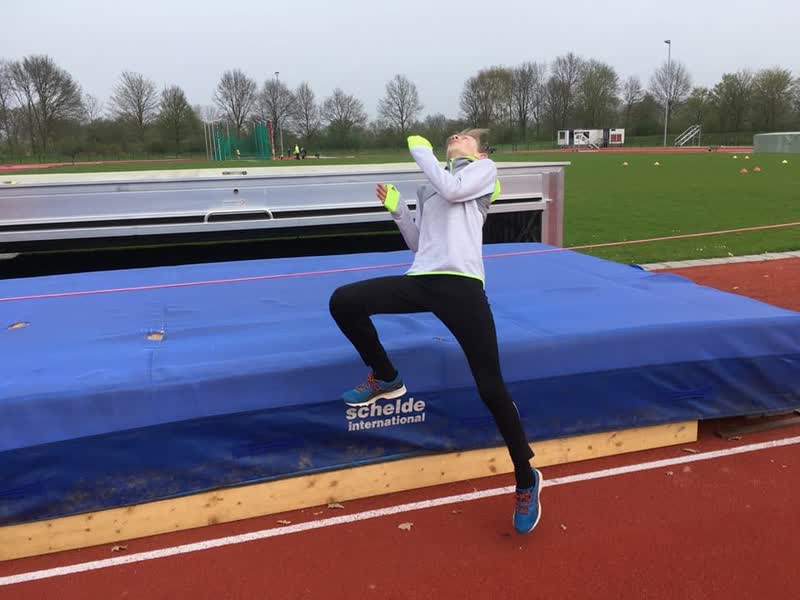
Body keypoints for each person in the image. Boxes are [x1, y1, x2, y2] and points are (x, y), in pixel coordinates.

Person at [328, 130, 542, 534]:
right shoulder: (429, 186)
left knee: (491, 389)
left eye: (466, 136)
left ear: (481, 152)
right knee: (344, 301)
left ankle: (525, 477)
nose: (456, 136)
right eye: (454, 135)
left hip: (463, 288)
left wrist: (421, 152)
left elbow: (454, 189)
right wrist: (398, 210)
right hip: (423, 279)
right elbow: (419, 244)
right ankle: (386, 376)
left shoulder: (483, 172)